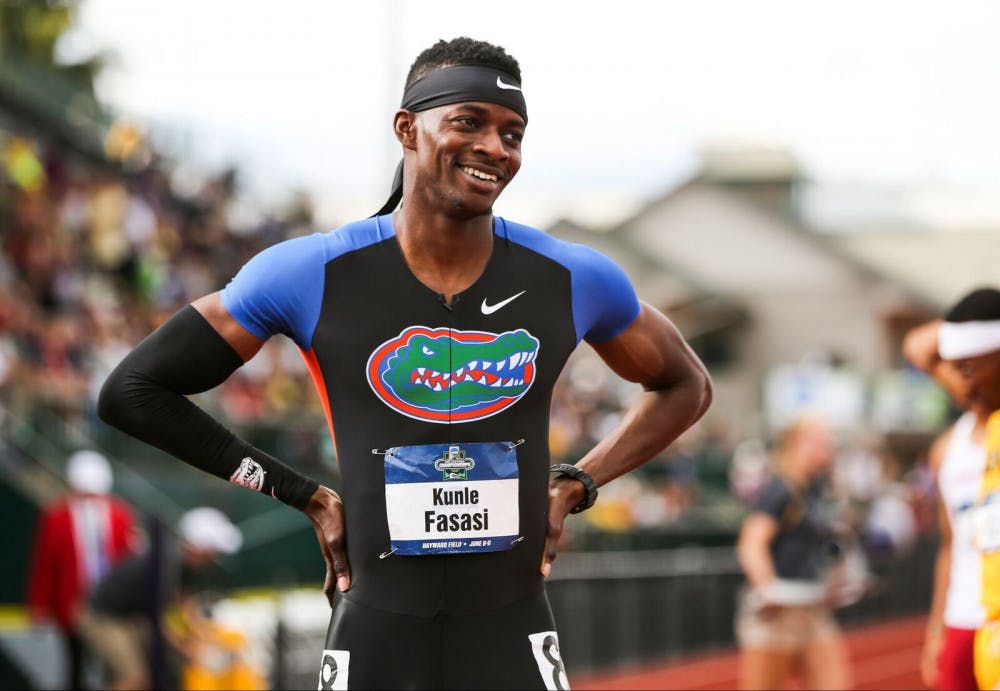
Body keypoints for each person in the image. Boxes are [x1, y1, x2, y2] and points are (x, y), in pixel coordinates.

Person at [97, 37, 712, 689]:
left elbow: (685, 385)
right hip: (377, 630)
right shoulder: (311, 272)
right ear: (407, 128)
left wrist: (577, 482)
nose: (494, 148)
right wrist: (302, 493)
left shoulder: (571, 276)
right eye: (468, 122)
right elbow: (134, 390)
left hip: (511, 627)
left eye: (513, 133)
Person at [903, 287, 1000, 690]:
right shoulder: (948, 448)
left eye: (967, 368)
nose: (959, 382)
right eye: (952, 368)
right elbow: (948, 543)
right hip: (964, 617)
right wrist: (936, 627)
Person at [734, 415, 852, 691]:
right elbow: (751, 544)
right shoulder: (779, 488)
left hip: (811, 607)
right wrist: (768, 590)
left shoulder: (814, 489)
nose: (828, 447)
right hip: (778, 615)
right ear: (794, 443)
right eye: (820, 440)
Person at [76, 506, 243, 690]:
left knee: (140, 673)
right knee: (135, 679)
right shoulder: (165, 568)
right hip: (103, 618)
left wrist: (205, 637)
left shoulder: (183, 566)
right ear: (200, 548)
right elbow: (159, 623)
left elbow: (185, 606)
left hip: (127, 617)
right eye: (214, 552)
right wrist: (188, 649)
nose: (215, 558)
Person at [26, 449, 139, 690]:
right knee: (75, 667)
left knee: (115, 668)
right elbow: (46, 564)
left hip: (111, 608)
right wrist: (39, 606)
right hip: (71, 606)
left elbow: (128, 560)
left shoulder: (120, 515)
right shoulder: (56, 517)